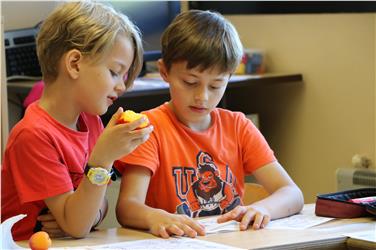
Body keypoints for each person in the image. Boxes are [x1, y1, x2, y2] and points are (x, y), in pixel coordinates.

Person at [115, 10, 304, 239]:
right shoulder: (149, 128)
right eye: (190, 82)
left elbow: (292, 193)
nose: (202, 97)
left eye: (215, 86)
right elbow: (127, 207)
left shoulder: (238, 127)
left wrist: (264, 209)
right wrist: (154, 217)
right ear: (164, 71)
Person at [1, 1, 153, 241]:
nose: (122, 86)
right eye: (114, 72)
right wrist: (103, 159)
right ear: (74, 64)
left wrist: (84, 214)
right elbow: (77, 225)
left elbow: (94, 208)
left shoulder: (91, 122)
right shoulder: (33, 135)